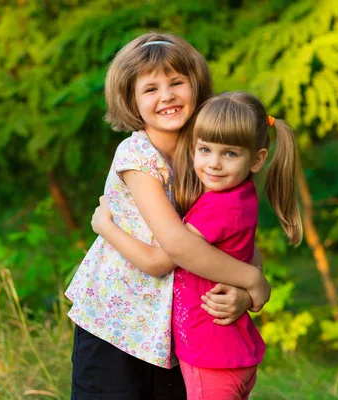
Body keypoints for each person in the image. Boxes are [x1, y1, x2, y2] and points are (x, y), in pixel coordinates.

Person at [64, 32, 271, 400]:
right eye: (151, 89)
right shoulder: (137, 158)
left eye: (177, 82)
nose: (167, 96)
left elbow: (236, 227)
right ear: (132, 101)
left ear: (196, 84)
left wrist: (246, 291)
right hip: (119, 323)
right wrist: (252, 280)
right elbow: (171, 251)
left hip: (179, 330)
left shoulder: (208, 150)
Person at [92, 91, 303, 399]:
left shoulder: (218, 207)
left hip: (213, 356)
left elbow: (162, 258)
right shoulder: (239, 195)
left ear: (257, 159)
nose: (214, 164)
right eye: (205, 149)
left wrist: (105, 227)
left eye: (230, 154)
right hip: (226, 351)